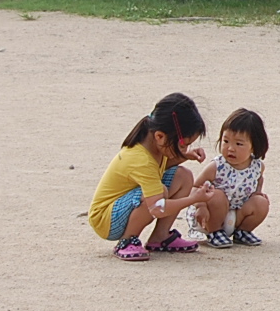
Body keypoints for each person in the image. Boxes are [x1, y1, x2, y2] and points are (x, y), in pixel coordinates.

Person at [88, 92, 214, 261]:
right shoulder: (141, 159)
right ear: (160, 136)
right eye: (183, 145)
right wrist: (194, 199)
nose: (185, 149)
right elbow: (157, 207)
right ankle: (126, 241)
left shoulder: (155, 147)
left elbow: (159, 169)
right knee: (158, 192)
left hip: (121, 209)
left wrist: (185, 155)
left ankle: (160, 237)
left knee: (183, 176)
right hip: (106, 220)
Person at [188, 108, 270, 248]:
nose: (230, 148)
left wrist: (257, 193)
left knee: (261, 202)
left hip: (236, 214)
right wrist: (201, 206)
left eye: (239, 144)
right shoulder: (217, 166)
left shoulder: (257, 166)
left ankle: (242, 231)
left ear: (254, 146)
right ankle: (214, 233)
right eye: (226, 141)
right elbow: (195, 187)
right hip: (210, 216)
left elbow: (259, 179)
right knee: (217, 196)